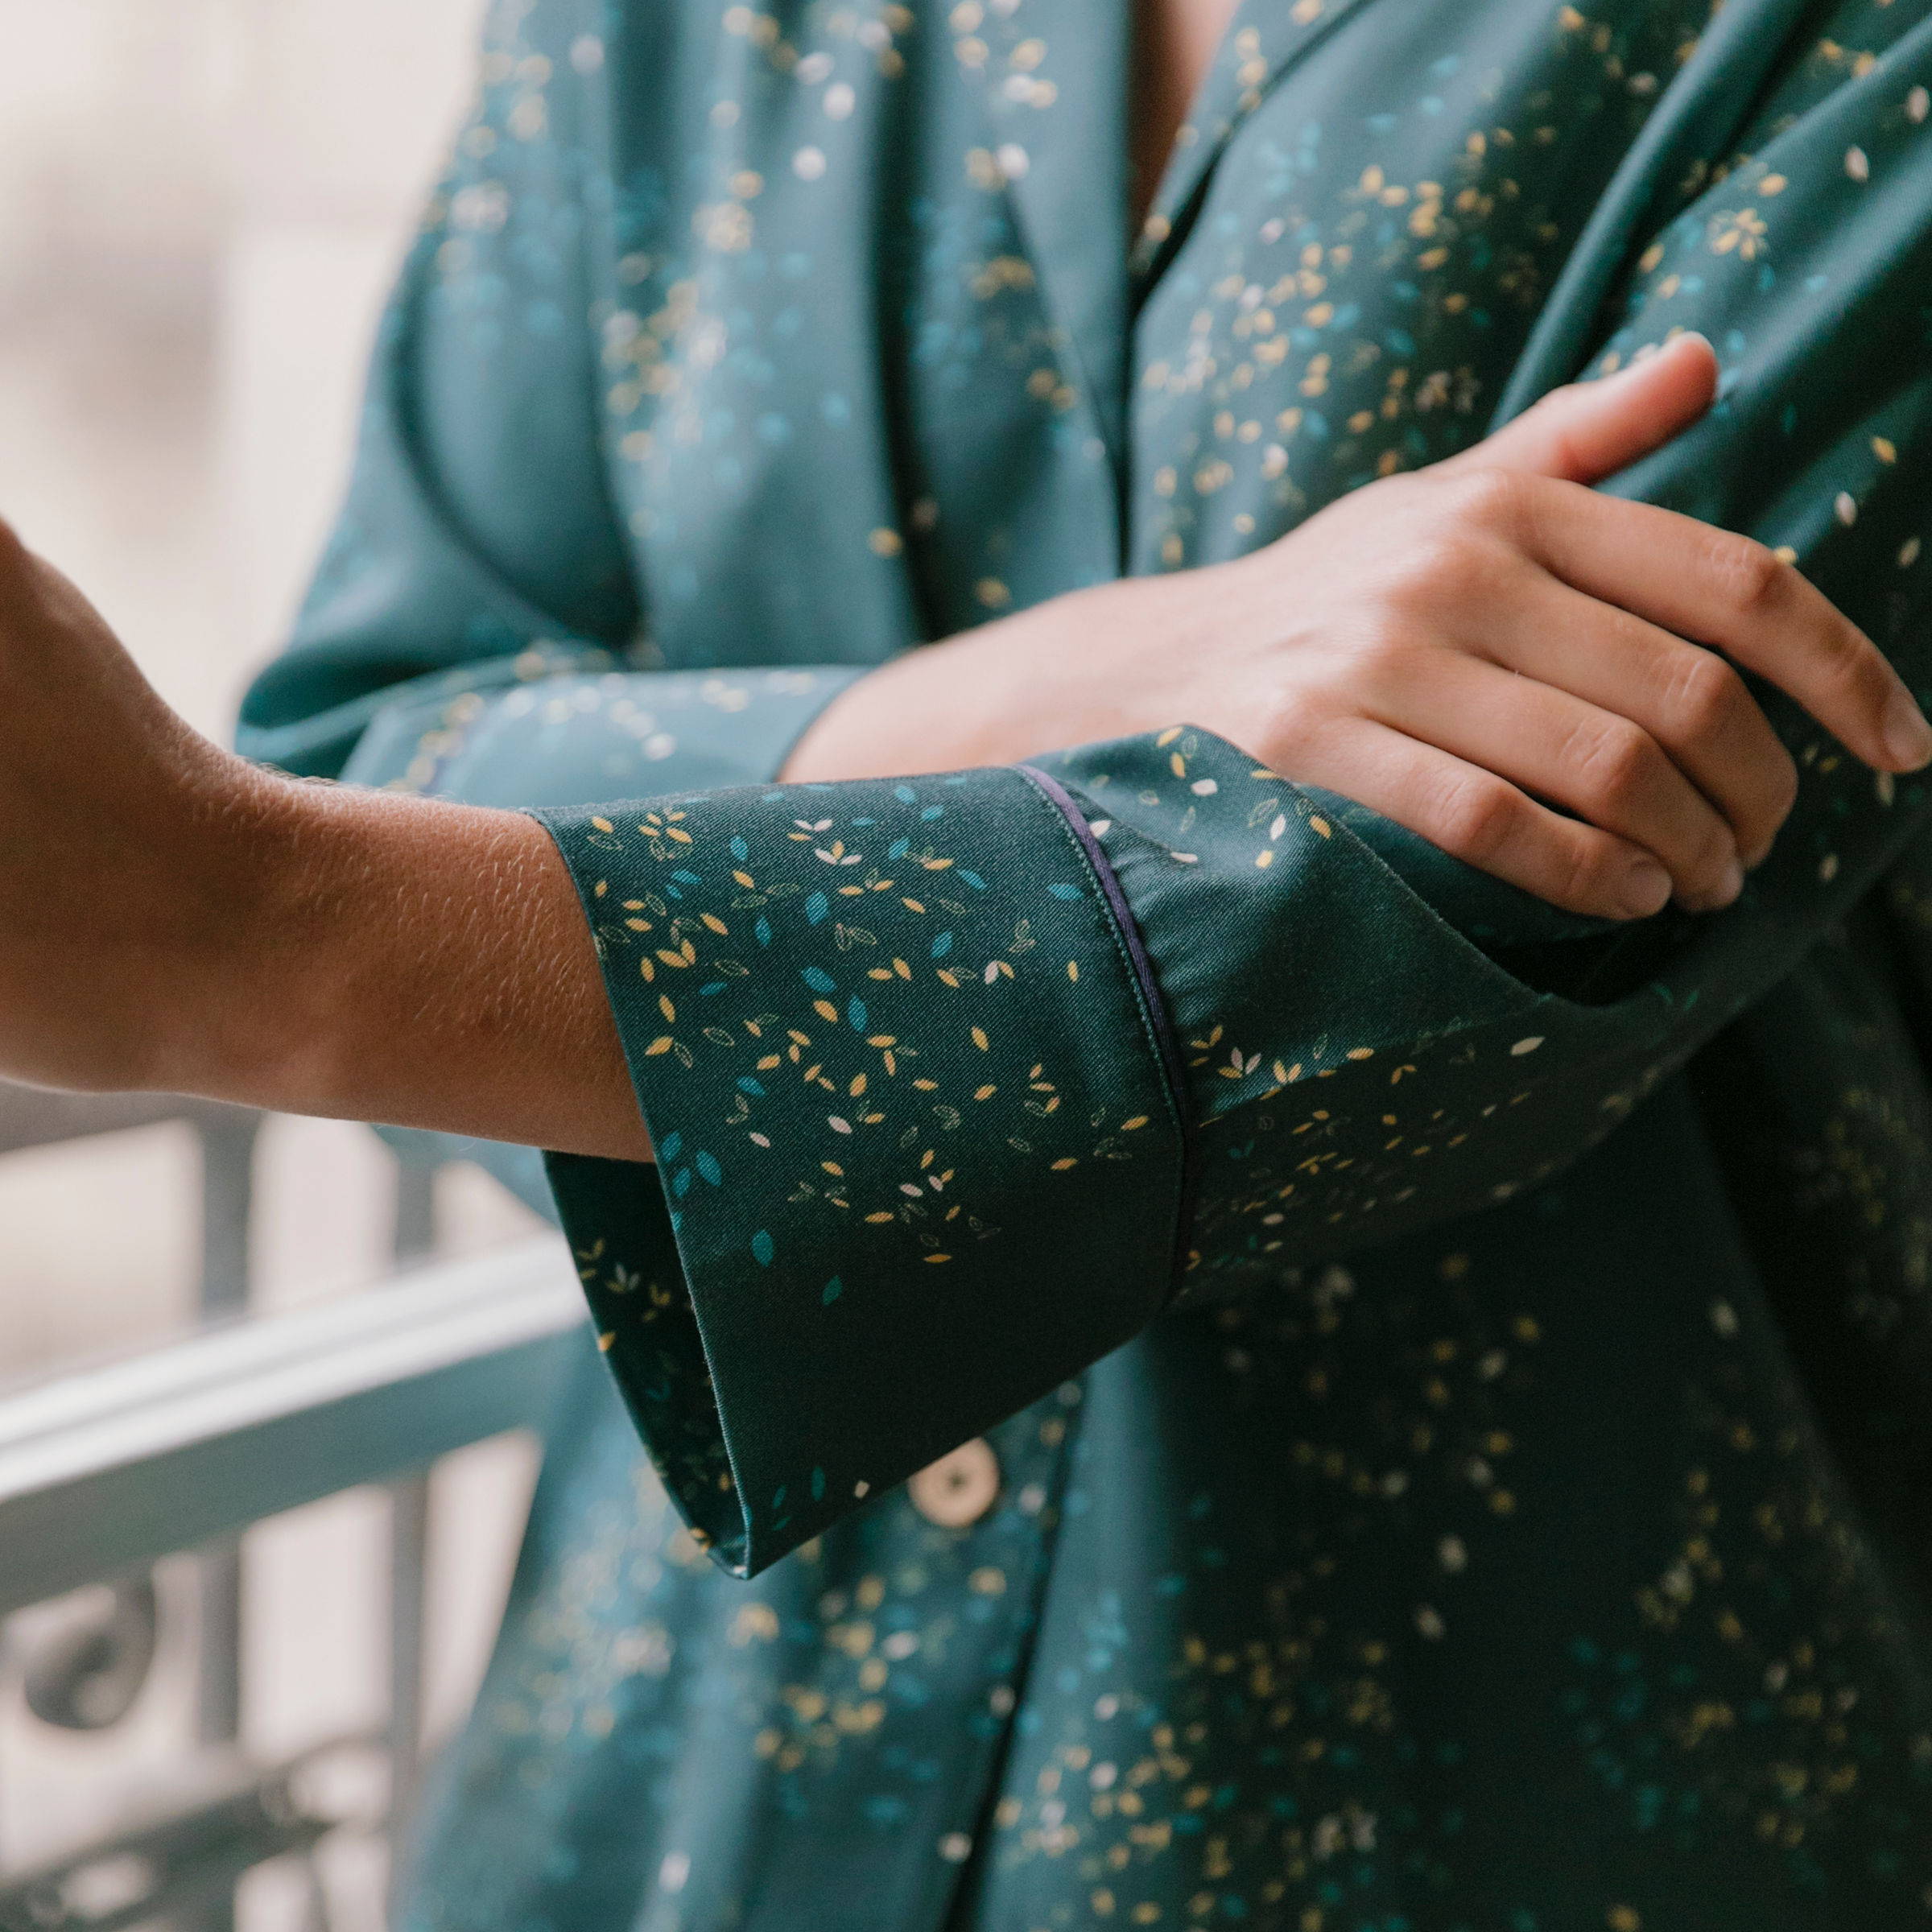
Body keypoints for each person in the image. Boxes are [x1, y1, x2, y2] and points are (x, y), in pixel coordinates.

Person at [2, 0, 1930, 1920]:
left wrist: (261, 932)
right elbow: (377, 751)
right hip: (651, 1810)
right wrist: (1157, 654)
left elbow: (1425, 944)